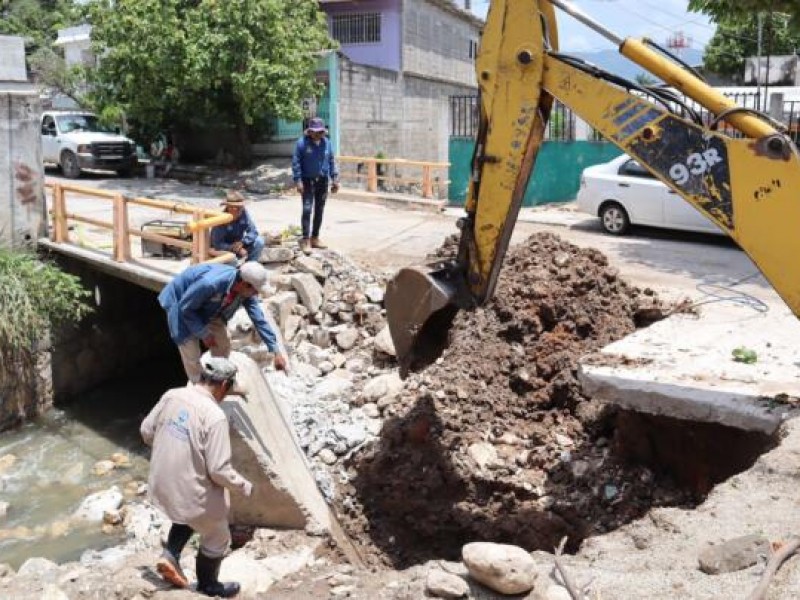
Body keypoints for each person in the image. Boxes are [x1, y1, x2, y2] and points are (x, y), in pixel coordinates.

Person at [141, 353, 250, 597]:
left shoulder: (172, 395)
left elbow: (146, 431)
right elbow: (219, 470)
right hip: (188, 496)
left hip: (159, 485)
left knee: (190, 510)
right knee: (217, 535)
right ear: (224, 386)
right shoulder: (214, 417)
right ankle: (208, 586)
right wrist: (243, 485)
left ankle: (171, 555)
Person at [158, 261, 288, 382]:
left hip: (208, 307)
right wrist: (204, 334)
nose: (256, 294)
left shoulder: (245, 290)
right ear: (244, 284)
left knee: (223, 343)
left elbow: (259, 319)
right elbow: (186, 309)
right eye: (255, 290)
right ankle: (200, 387)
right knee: (191, 353)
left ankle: (218, 379)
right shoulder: (210, 283)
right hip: (181, 304)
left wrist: (275, 351)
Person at [291, 117, 339, 255]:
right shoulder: (302, 144)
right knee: (307, 209)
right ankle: (305, 239)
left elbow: (331, 161)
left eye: (321, 132)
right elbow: (296, 163)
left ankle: (315, 238)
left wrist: (335, 179)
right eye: (316, 132)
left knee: (319, 210)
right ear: (310, 132)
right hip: (307, 181)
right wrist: (298, 181)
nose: (319, 135)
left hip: (322, 181)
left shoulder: (327, 143)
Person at [210, 191, 265, 262]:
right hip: (224, 250)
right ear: (230, 208)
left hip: (240, 244)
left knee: (259, 241)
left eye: (240, 207)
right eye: (236, 207)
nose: (239, 210)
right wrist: (234, 248)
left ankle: (250, 264)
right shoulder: (220, 219)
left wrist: (243, 242)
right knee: (231, 258)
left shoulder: (243, 213)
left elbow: (253, 231)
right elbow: (217, 244)